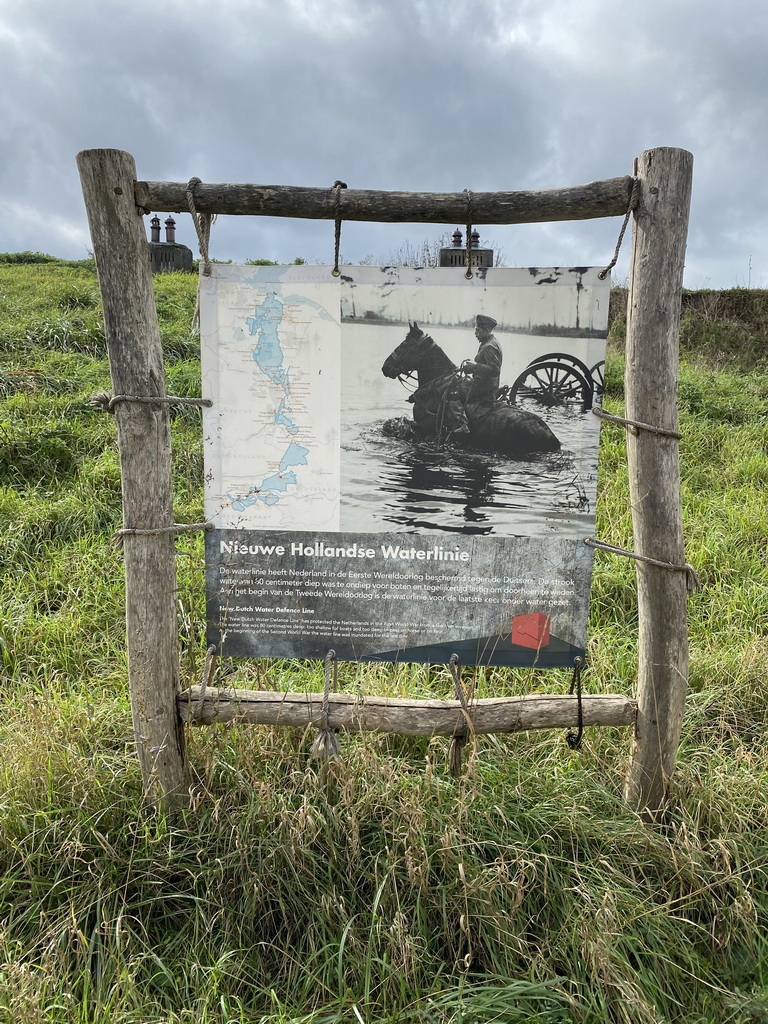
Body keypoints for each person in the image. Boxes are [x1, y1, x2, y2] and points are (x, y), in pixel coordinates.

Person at [462, 314, 502, 429]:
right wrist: (472, 367)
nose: (475, 333)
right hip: (483, 384)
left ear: (485, 330)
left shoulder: (489, 346)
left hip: (484, 388)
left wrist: (475, 367)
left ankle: (462, 424)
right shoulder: (489, 342)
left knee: (454, 392)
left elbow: (495, 370)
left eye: (477, 330)